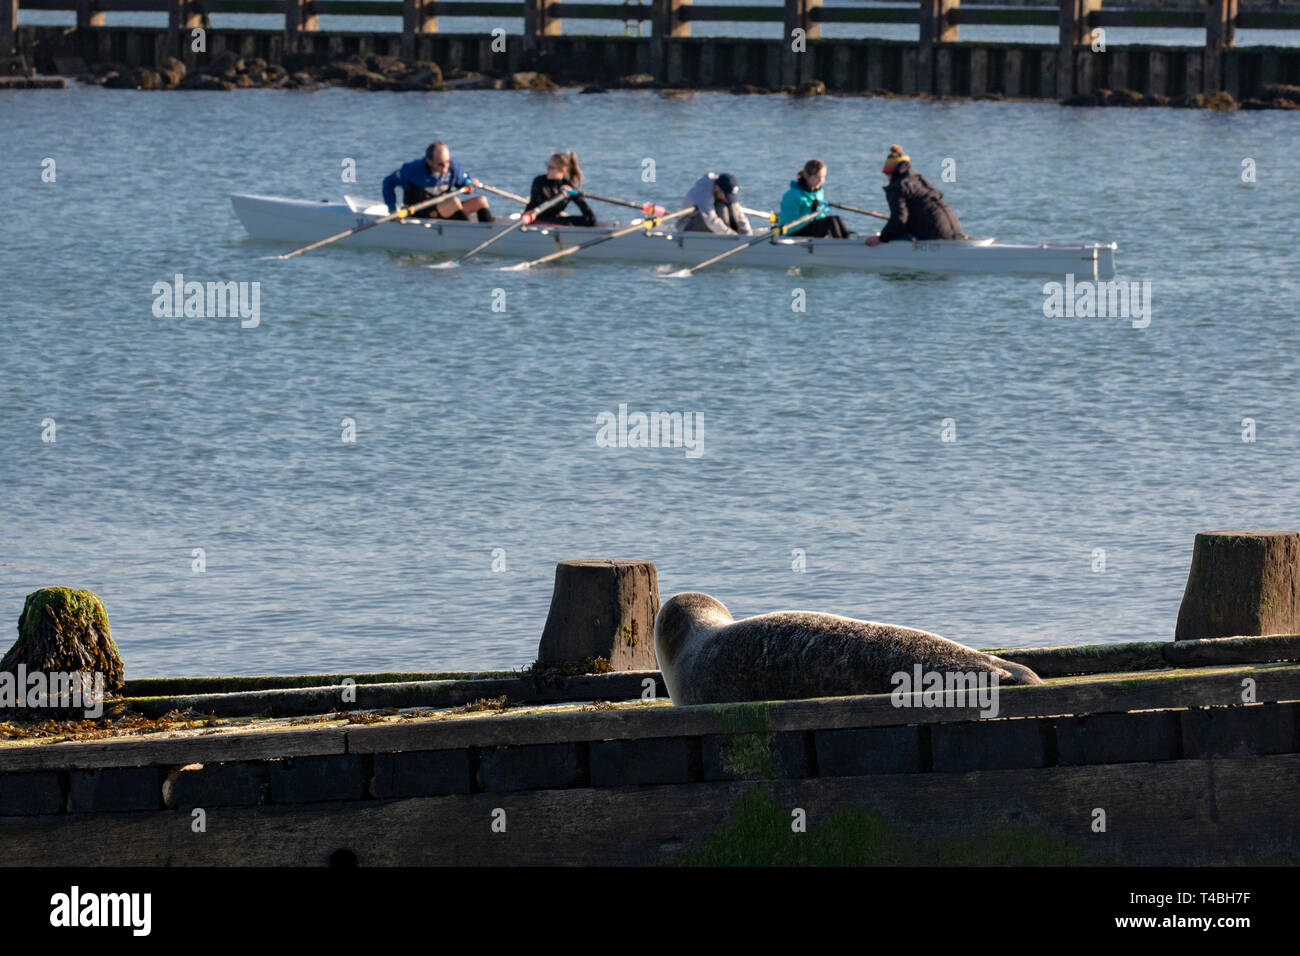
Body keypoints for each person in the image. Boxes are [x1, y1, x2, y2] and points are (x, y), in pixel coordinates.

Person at [865, 145, 963, 246]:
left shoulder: (897, 187)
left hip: (936, 232)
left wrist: (881, 238)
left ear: (891, 172)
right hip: (954, 229)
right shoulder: (920, 181)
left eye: (886, 174)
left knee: (895, 234)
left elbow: (899, 219)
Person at [381, 141, 494, 222]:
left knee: (481, 201)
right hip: (418, 213)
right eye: (441, 164)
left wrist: (469, 183)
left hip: (446, 210)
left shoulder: (452, 168)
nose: (445, 167)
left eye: (447, 162)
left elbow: (463, 182)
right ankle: (469, 235)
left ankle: (488, 230)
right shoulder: (412, 170)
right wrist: (392, 210)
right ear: (429, 162)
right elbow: (388, 183)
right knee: (453, 202)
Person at [778, 160, 850, 238]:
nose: (821, 181)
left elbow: (820, 217)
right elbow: (787, 224)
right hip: (794, 233)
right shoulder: (792, 195)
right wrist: (811, 211)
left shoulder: (819, 192)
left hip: (810, 228)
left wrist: (819, 210)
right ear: (806, 175)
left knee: (836, 218)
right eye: (817, 177)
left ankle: (848, 240)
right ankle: (840, 245)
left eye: (823, 177)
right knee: (831, 221)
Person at [525, 152, 597, 227]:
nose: (547, 169)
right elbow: (540, 206)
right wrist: (560, 195)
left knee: (589, 220)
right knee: (568, 224)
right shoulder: (539, 181)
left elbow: (591, 218)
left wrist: (574, 194)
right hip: (534, 218)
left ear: (562, 170)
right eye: (547, 165)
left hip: (554, 219)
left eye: (551, 167)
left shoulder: (568, 185)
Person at [678, 172, 752, 235]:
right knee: (721, 208)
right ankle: (728, 238)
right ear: (717, 188)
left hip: (710, 223)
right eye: (726, 195)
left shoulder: (722, 186)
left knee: (731, 207)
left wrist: (747, 234)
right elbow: (711, 220)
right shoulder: (704, 192)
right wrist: (732, 235)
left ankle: (732, 235)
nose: (727, 199)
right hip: (687, 226)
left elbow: (739, 214)